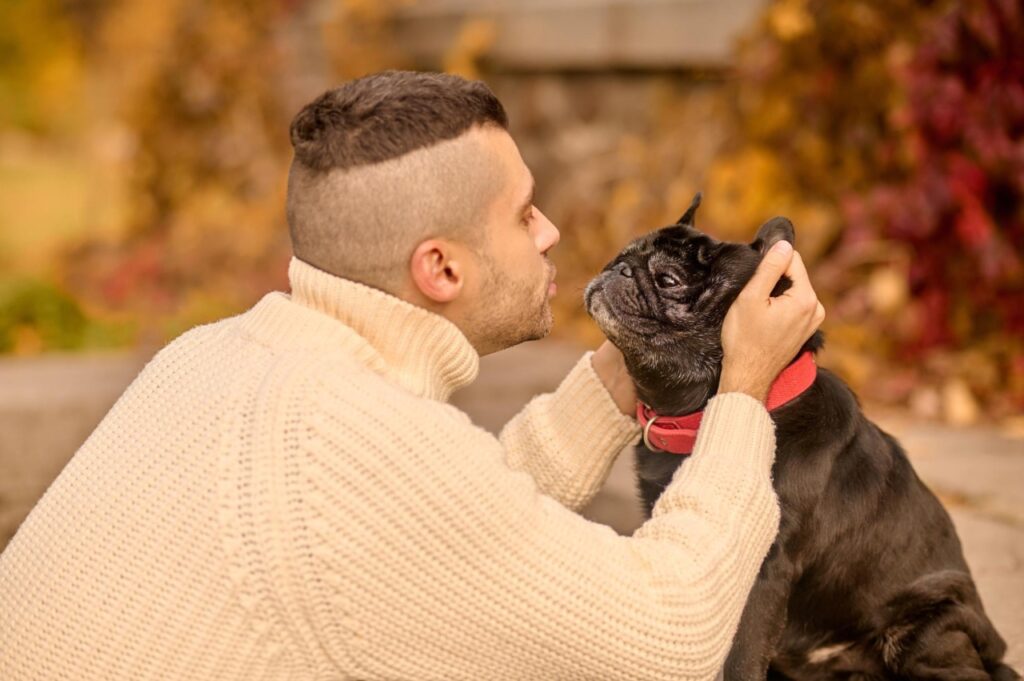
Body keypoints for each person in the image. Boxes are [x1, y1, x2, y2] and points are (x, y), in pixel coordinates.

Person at [0, 71, 824, 680]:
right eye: (524, 213)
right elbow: (670, 631)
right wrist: (743, 389)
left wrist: (621, 377)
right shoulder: (356, 450)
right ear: (440, 267)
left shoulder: (220, 357)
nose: (553, 231)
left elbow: (446, 535)